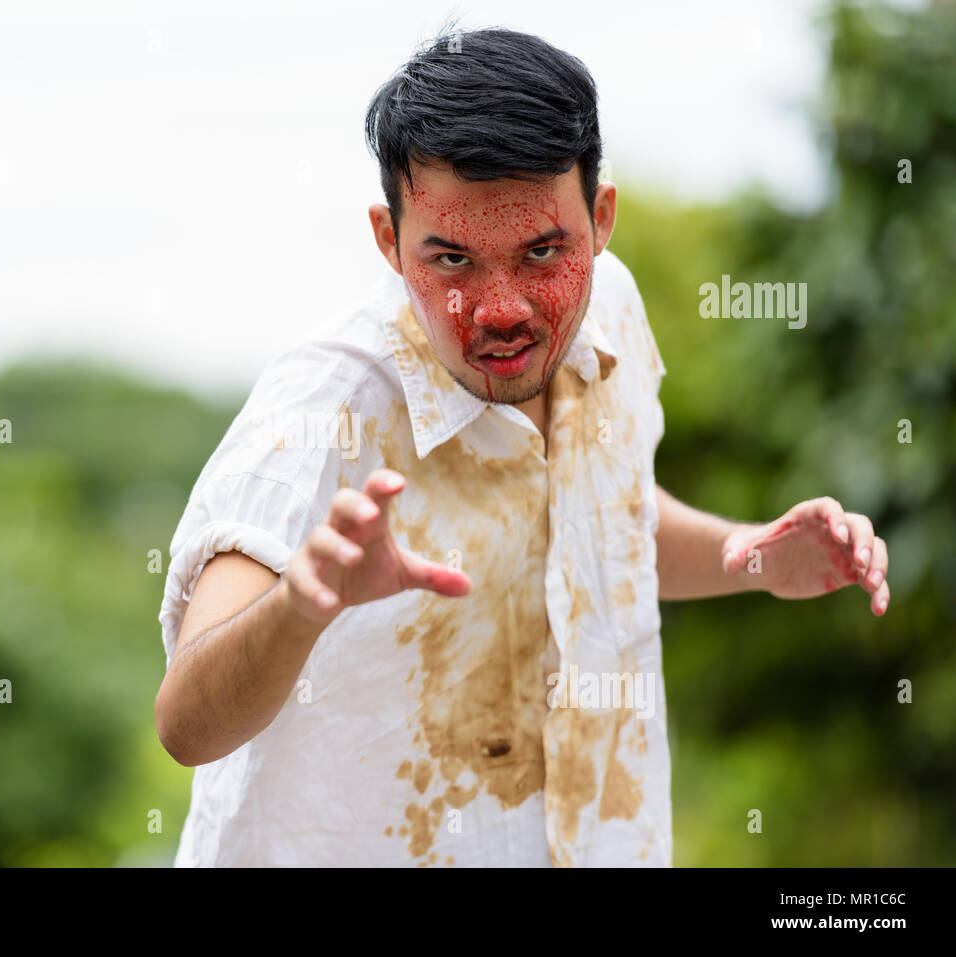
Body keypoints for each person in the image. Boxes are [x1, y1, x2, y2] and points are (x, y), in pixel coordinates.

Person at [154, 27, 890, 867]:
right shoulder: (321, 409)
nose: (501, 307)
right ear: (389, 241)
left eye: (544, 251)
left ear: (600, 219)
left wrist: (746, 556)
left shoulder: (608, 309)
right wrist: (299, 608)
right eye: (453, 259)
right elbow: (185, 723)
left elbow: (599, 518)